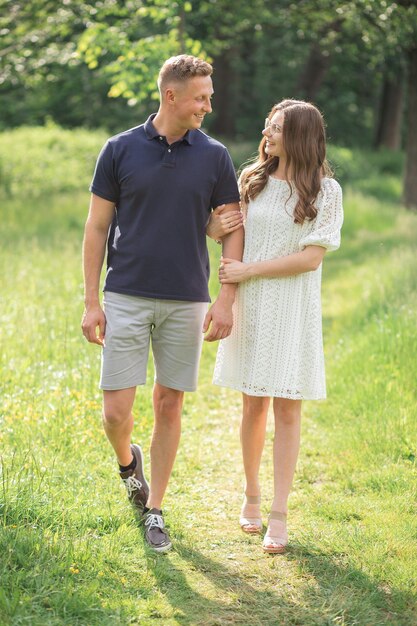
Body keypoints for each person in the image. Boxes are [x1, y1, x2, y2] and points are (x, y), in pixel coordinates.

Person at [81, 55, 243, 552]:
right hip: (125, 293)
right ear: (170, 96)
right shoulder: (120, 149)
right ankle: (129, 464)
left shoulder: (214, 156)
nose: (207, 106)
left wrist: (225, 301)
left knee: (169, 404)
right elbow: (96, 228)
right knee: (115, 413)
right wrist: (92, 301)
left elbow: (232, 230)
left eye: (209, 96)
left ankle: (155, 510)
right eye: (201, 97)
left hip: (186, 299)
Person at [212, 99, 343, 553]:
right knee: (254, 405)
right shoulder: (252, 181)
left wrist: (250, 270)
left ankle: (279, 513)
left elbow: (311, 258)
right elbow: (229, 234)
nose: (266, 133)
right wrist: (215, 230)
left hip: (292, 310)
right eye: (267, 125)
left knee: (288, 408)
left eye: (277, 128)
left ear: (301, 136)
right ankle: (251, 494)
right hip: (251, 307)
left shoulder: (326, 192)